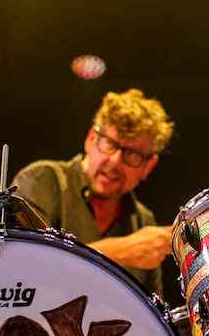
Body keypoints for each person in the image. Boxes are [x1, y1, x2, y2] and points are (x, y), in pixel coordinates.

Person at [10, 89, 175, 297]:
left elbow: (153, 318)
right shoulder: (42, 180)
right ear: (91, 139)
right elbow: (15, 272)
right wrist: (121, 250)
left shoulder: (144, 220)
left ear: (147, 167)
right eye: (109, 143)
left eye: (132, 154)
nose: (114, 160)